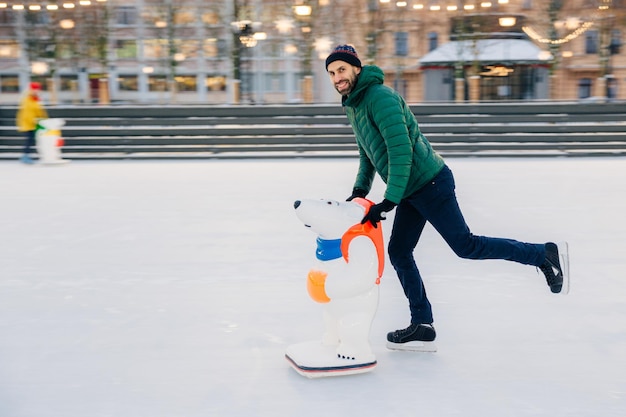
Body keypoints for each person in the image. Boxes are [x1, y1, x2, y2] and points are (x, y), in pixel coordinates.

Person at [324, 44, 569, 348]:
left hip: (430, 183)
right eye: (332, 73)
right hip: (411, 190)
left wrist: (389, 200)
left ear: (356, 68)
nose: (337, 77)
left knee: (466, 246)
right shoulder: (354, 104)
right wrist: (360, 190)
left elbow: (401, 151)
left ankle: (542, 253)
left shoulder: (380, 98)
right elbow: (368, 152)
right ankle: (422, 324)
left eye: (342, 69)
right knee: (399, 252)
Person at [16, 82, 48, 164]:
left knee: (33, 140)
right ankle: (25, 155)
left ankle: (28, 155)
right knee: (29, 140)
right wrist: (33, 122)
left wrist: (44, 119)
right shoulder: (28, 99)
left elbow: (39, 111)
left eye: (38, 90)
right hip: (29, 124)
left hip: (35, 123)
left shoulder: (35, 99)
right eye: (35, 89)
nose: (37, 91)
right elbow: (27, 113)